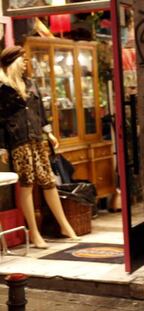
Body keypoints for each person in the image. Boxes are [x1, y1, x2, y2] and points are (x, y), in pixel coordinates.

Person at [0, 46, 79, 249]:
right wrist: (1, 148)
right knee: (27, 184)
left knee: (48, 181)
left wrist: (49, 132)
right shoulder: (3, 88)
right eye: (22, 60)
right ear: (13, 62)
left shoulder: (31, 84)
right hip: (18, 140)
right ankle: (34, 233)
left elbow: (41, 112)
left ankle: (65, 225)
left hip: (37, 138)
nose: (26, 63)